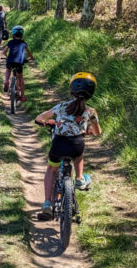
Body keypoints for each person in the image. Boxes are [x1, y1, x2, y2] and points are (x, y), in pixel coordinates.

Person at [34, 72, 101, 220]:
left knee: (52, 169)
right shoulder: (91, 111)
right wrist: (88, 130)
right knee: (78, 155)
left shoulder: (61, 107)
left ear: (72, 89)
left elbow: (40, 118)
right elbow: (97, 132)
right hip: (77, 145)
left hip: (58, 145)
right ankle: (79, 178)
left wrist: (46, 122)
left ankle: (46, 204)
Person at [1, 25, 35, 103]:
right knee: (20, 78)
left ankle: (6, 81)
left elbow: (3, 52)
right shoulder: (24, 44)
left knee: (8, 70)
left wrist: (6, 57)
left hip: (10, 61)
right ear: (22, 35)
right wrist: (30, 59)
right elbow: (30, 55)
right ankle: (22, 96)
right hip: (19, 63)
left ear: (13, 34)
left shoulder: (10, 42)